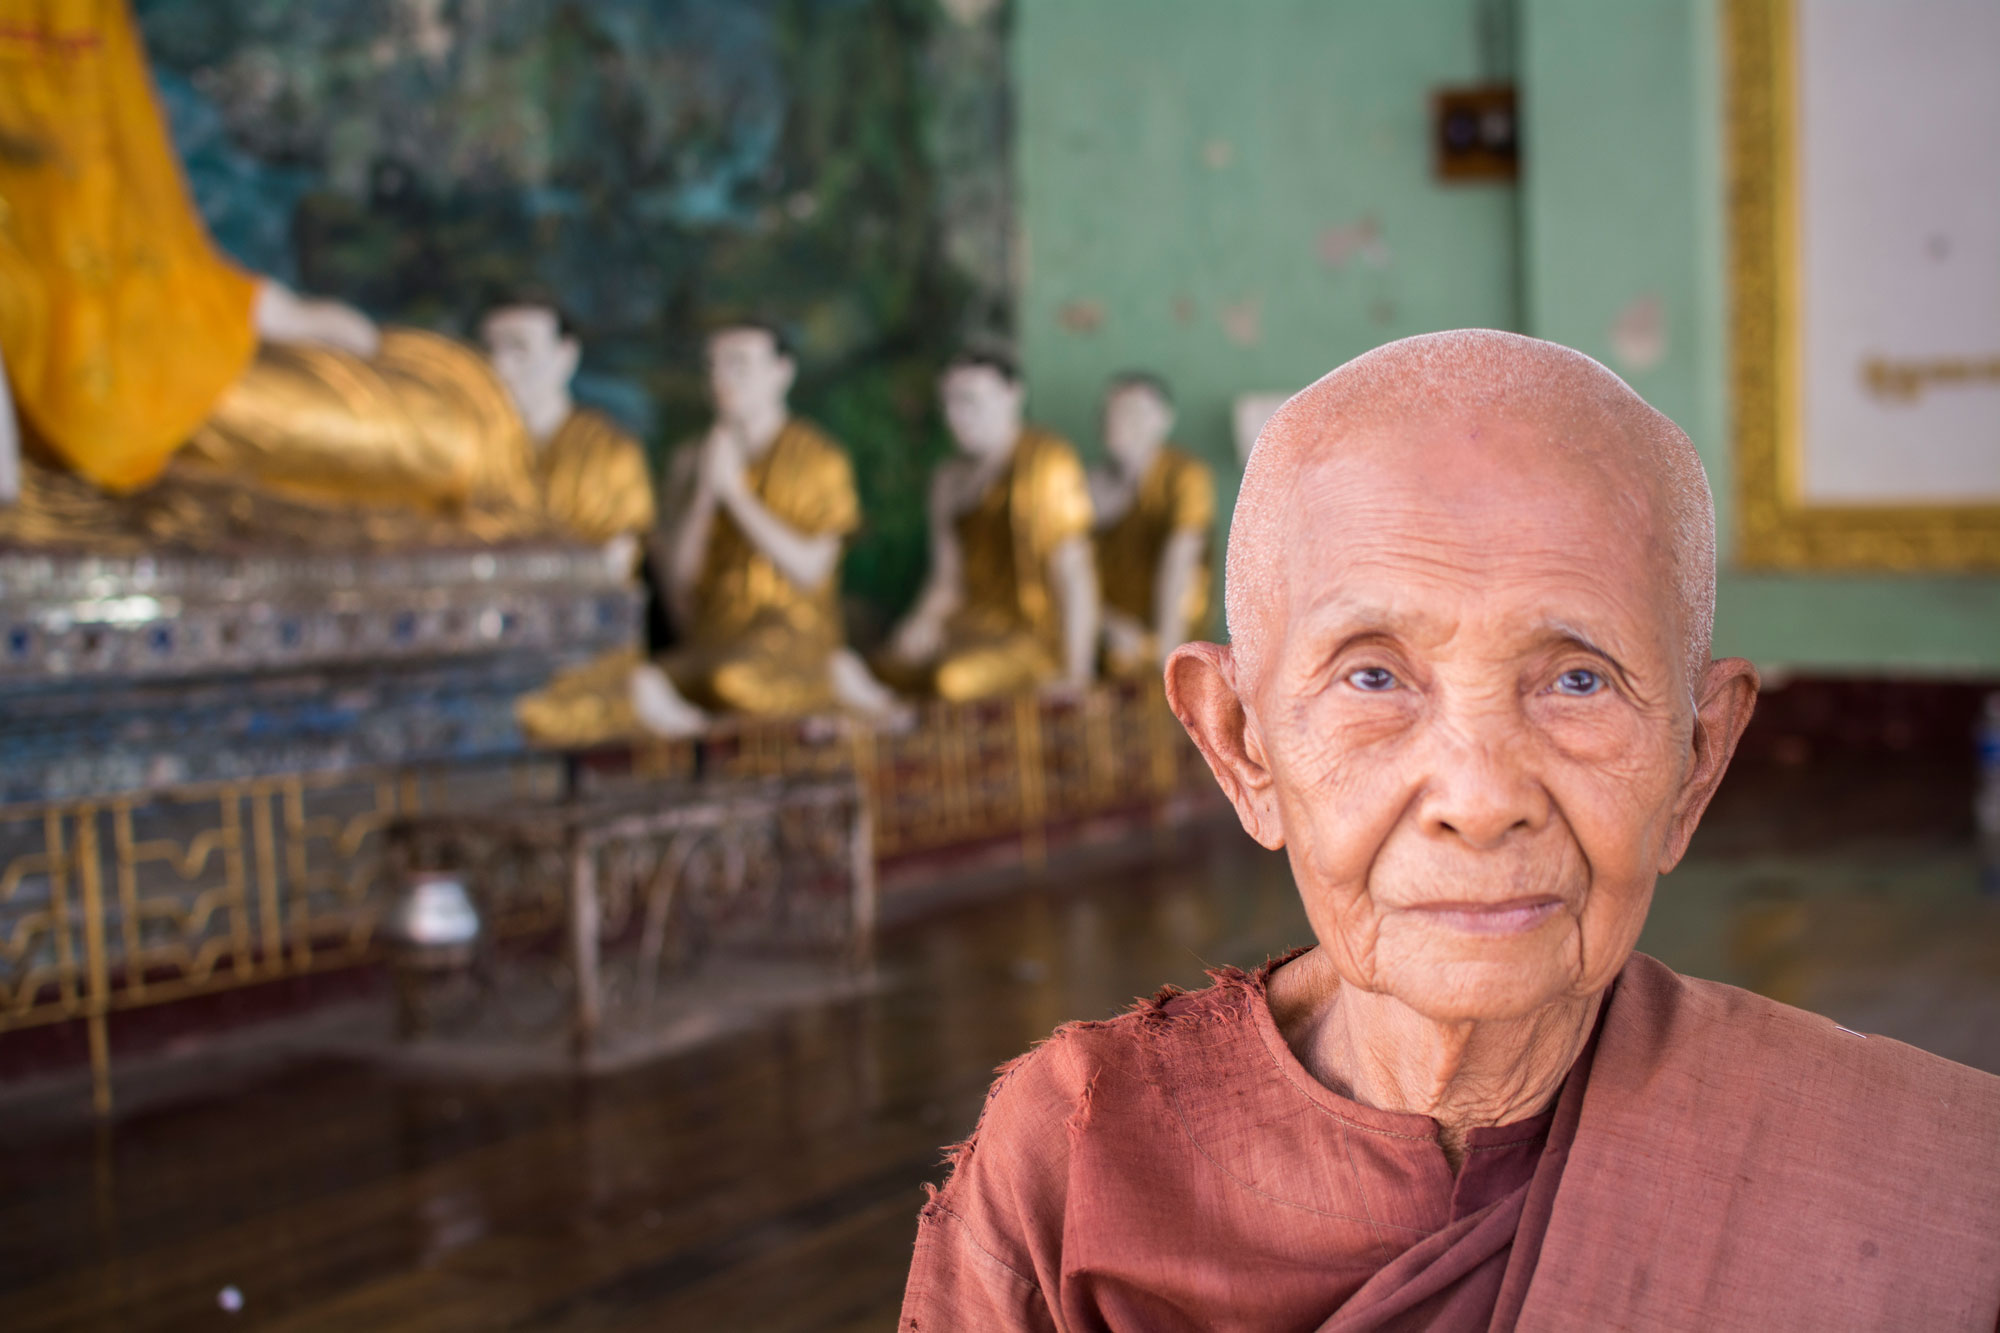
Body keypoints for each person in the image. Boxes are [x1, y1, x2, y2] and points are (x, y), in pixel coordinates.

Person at [899, 331, 2000, 1330]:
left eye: (1577, 679)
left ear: (1694, 760)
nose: (1478, 796)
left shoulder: (1941, 1189)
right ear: (1238, 743)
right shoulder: (1082, 1159)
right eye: (1371, 676)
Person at [882, 352, 1098, 700]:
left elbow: (1073, 570)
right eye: (948, 403)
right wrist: (922, 622)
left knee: (953, 680)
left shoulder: (1047, 461)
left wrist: (1077, 672)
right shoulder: (948, 479)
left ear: (1012, 394)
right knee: (889, 666)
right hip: (970, 625)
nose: (956, 417)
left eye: (969, 401)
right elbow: (947, 580)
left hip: (1030, 636)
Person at [1086, 373, 1214, 677]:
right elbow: (1070, 572)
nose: (1117, 421)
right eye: (1110, 413)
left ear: (1163, 420)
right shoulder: (1085, 485)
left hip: (1166, 627)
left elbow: (1179, 563)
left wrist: (1167, 652)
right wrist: (1104, 623)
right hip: (1102, 626)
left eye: (1131, 411)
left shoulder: (1184, 476)